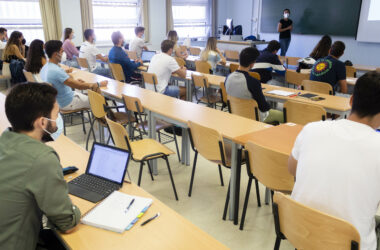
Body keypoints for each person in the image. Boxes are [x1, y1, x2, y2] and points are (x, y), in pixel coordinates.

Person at [288, 71, 380, 250]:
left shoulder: (311, 129)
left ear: (351, 100)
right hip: (348, 244)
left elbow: (292, 170)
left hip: (299, 231)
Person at [0, 83, 81, 250]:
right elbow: (67, 224)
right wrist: (75, 208)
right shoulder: (42, 158)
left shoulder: (5, 140)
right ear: (42, 122)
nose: (58, 119)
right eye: (56, 114)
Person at [40, 40, 107, 111]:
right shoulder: (56, 70)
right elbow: (79, 86)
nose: (63, 54)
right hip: (67, 102)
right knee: (99, 101)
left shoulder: (45, 67)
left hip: (60, 101)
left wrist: (75, 82)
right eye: (62, 52)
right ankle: (107, 120)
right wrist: (98, 84)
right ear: (55, 54)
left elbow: (68, 81)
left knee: (90, 95)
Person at [225, 47, 283, 124]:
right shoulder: (253, 82)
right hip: (255, 116)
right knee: (284, 115)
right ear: (252, 64)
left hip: (236, 114)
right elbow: (264, 107)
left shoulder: (228, 77)